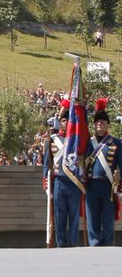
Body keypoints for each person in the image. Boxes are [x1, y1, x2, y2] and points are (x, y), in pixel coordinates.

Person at [44, 103, 83, 247]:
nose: (66, 123)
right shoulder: (52, 139)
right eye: (64, 120)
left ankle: (73, 242)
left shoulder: (76, 140)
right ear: (60, 122)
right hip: (59, 180)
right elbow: (47, 163)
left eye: (68, 120)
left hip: (73, 181)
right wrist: (46, 181)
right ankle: (61, 243)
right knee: (59, 215)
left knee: (73, 215)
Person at [84, 99, 119, 247]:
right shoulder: (88, 143)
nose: (100, 124)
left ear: (108, 125)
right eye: (98, 122)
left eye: (103, 122)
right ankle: (94, 245)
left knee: (107, 218)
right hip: (91, 185)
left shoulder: (116, 143)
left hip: (107, 186)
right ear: (94, 124)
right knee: (92, 218)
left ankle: (108, 245)